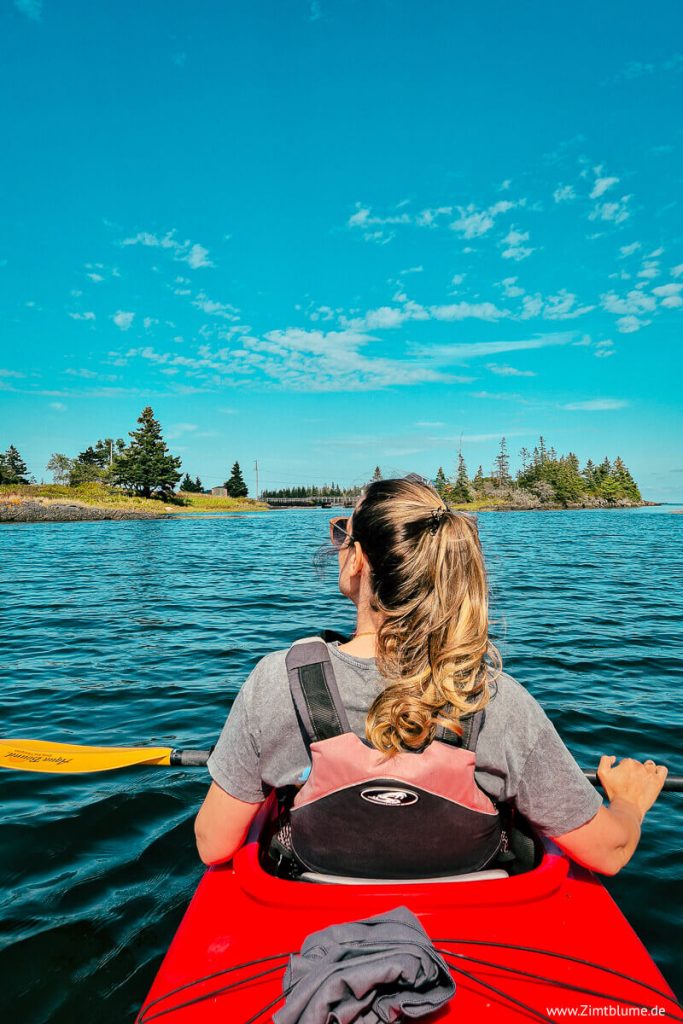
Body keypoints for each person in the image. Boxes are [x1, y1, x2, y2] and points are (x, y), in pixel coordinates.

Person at [195, 476, 667, 875]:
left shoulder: (277, 681)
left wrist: (260, 767)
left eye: (343, 532)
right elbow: (610, 851)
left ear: (358, 558)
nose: (337, 543)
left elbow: (212, 844)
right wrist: (628, 802)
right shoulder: (494, 698)